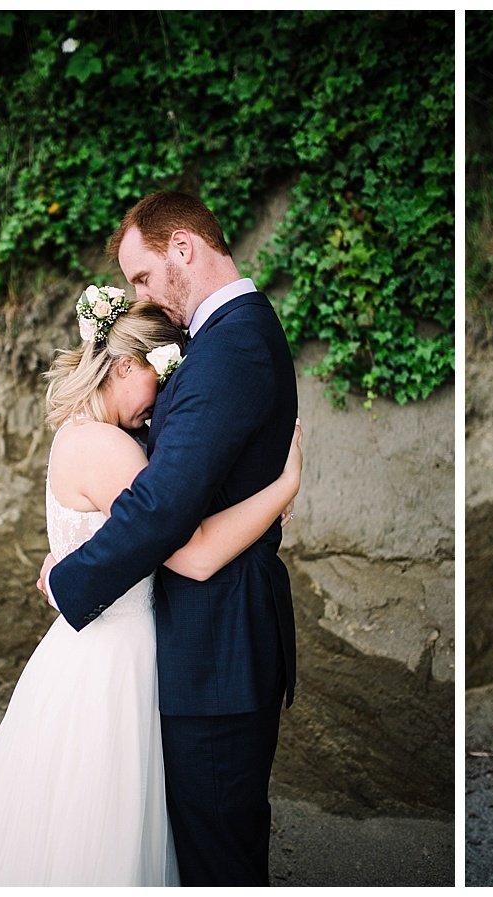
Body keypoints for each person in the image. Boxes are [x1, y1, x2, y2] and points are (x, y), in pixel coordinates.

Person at [0, 298, 304, 886]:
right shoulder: (110, 448)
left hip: (100, 649)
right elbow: (197, 550)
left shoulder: (80, 436)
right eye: (162, 378)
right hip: (113, 663)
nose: (160, 406)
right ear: (126, 365)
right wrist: (284, 485)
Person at [39, 192, 299, 886]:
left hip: (217, 647)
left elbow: (162, 505)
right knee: (203, 842)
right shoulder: (217, 342)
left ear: (183, 248)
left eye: (142, 276)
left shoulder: (232, 346)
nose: (139, 296)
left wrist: (70, 574)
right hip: (206, 644)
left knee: (218, 857)